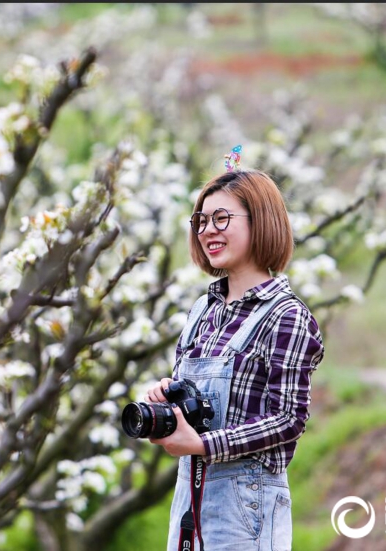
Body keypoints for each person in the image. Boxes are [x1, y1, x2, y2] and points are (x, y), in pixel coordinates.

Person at [146, 168, 325, 551]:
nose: (209, 230)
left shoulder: (286, 315)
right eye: (201, 221)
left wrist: (204, 445)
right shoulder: (202, 310)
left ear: (261, 222)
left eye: (222, 218)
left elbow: (288, 419)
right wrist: (166, 399)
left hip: (247, 505)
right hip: (189, 497)